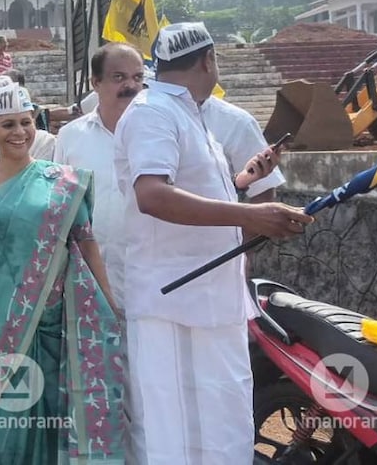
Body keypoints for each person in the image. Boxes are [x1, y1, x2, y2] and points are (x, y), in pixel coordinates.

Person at [114, 23, 313, 464]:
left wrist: (244, 191)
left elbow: (199, 197)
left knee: (225, 430)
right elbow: (152, 195)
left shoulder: (193, 114)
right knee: (178, 439)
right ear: (208, 61)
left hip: (213, 304)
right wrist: (249, 214)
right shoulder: (153, 112)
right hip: (177, 308)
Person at [0, 83, 125, 464]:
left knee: (55, 416)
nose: (20, 132)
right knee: (6, 417)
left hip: (53, 319)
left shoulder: (62, 182)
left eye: (26, 122)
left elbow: (86, 243)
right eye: (7, 124)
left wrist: (108, 303)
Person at [54, 43, 144, 310]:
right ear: (95, 82)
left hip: (149, 281)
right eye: (119, 77)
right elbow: (61, 207)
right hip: (90, 282)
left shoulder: (159, 134)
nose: (131, 85)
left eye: (138, 77)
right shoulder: (70, 136)